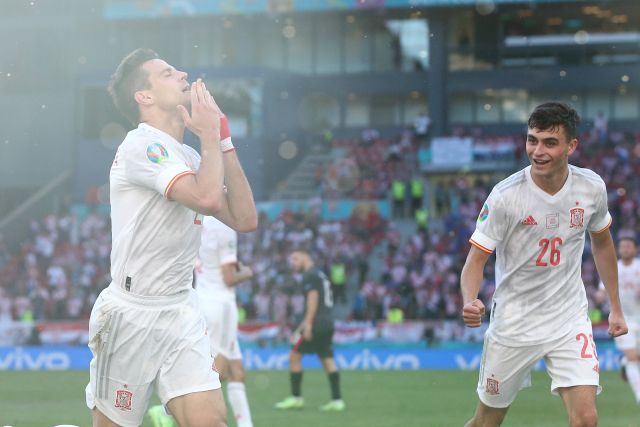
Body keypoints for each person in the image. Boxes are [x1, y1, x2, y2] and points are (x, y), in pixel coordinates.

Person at [85, 48, 257, 427]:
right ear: (143, 97)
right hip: (133, 312)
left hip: (181, 309)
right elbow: (208, 197)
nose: (182, 74)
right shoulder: (141, 145)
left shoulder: (191, 158)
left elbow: (244, 218)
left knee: (210, 422)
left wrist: (224, 141)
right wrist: (210, 137)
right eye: (166, 73)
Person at [460, 101, 628, 427]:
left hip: (568, 317)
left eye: (550, 142)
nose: (538, 150)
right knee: (486, 422)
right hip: (514, 321)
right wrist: (470, 299)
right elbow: (475, 260)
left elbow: (603, 242)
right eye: (532, 140)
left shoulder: (591, 188)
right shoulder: (505, 196)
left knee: (586, 420)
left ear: (571, 146)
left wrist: (616, 307)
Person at [148, 216, 256, 427]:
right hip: (221, 304)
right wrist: (247, 272)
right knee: (220, 370)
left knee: (237, 371)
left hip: (203, 297)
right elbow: (229, 277)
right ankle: (165, 411)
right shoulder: (224, 228)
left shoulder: (197, 221)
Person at [274, 250, 345, 412]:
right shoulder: (321, 275)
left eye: (296, 258)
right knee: (327, 359)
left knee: (294, 356)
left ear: (306, 257)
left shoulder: (309, 275)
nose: (293, 262)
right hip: (328, 321)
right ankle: (337, 400)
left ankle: (296, 397)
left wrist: (308, 324)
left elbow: (313, 298)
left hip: (317, 322)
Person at [598, 237, 640, 403]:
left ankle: (623, 363)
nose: (624, 249)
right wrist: (600, 295)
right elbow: (602, 290)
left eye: (628, 246)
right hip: (621, 320)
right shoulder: (613, 267)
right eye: (622, 246)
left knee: (633, 358)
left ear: (635, 249)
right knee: (632, 357)